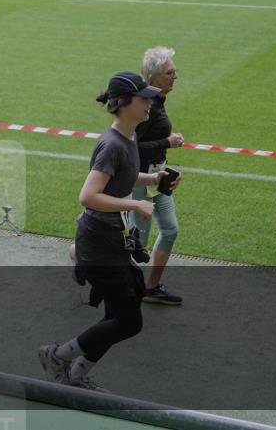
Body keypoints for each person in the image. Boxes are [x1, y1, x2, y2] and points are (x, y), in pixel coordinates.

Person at [39, 71, 180, 390]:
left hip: (113, 242)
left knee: (118, 315)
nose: (150, 103)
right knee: (129, 321)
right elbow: (88, 196)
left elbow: (123, 178)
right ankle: (58, 357)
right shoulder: (113, 143)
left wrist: (155, 180)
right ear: (124, 102)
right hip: (99, 244)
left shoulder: (129, 137)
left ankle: (75, 375)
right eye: (144, 98)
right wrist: (133, 206)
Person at [131, 46, 184, 305]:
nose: (175, 76)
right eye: (170, 72)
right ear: (153, 78)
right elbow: (131, 146)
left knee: (170, 230)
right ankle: (84, 258)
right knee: (136, 242)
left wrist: (166, 162)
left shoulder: (158, 101)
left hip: (157, 179)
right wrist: (167, 142)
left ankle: (150, 288)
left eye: (175, 71)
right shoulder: (146, 105)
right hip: (140, 181)